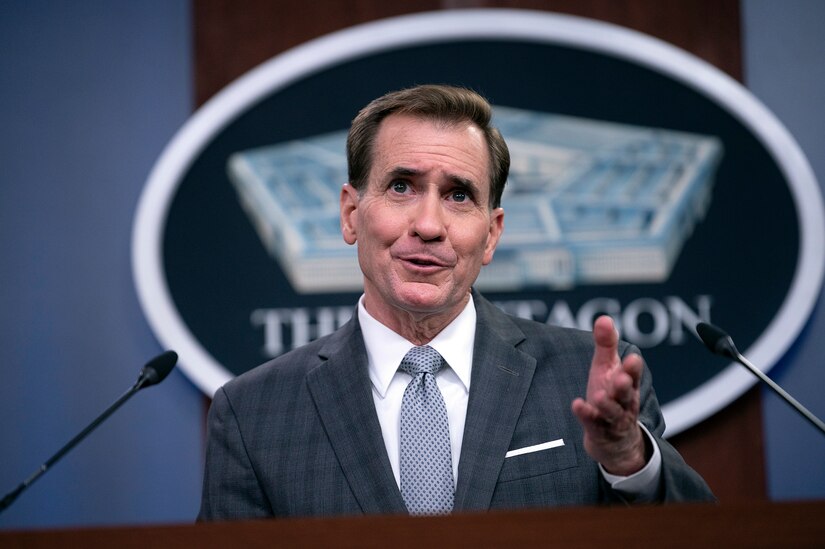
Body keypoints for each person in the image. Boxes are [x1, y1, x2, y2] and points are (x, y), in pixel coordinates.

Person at [198, 84, 714, 520]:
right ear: (351, 213)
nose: (428, 225)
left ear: (491, 234)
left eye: (459, 195)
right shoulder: (253, 415)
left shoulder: (585, 376)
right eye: (402, 186)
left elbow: (701, 538)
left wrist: (628, 460)